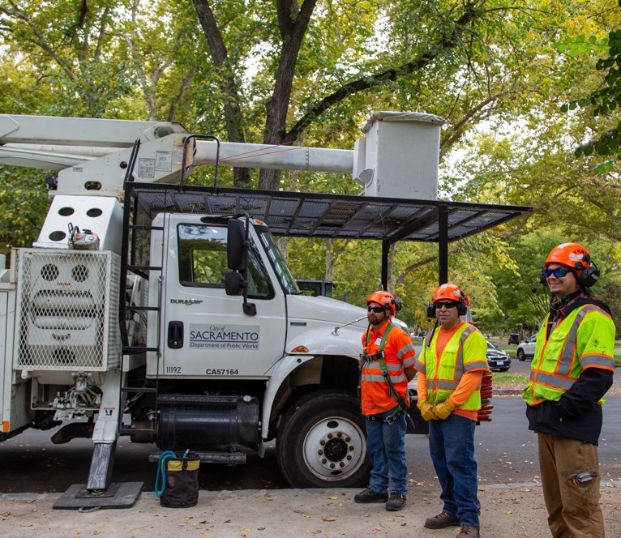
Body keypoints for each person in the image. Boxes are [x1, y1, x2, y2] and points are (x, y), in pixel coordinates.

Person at [523, 242, 615, 538]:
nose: (551, 276)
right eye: (548, 271)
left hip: (572, 429)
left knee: (580, 512)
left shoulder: (593, 315)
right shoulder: (556, 317)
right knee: (558, 509)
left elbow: (598, 377)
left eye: (560, 270)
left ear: (582, 274)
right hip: (548, 423)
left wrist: (563, 411)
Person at [415, 283, 488, 538]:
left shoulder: (471, 335)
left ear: (460, 308)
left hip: (459, 413)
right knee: (442, 464)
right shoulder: (431, 336)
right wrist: (422, 402)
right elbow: (422, 373)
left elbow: (473, 376)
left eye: (449, 305)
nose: (443, 309)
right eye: (438, 305)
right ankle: (451, 510)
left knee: (461, 465)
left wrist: (450, 405)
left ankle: (470, 522)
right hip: (435, 412)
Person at [354, 290, 416, 511]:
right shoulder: (367, 335)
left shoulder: (398, 336)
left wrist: (397, 389)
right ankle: (378, 488)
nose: (371, 312)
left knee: (394, 450)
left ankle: (398, 491)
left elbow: (411, 369)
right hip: (371, 405)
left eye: (377, 309)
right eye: (369, 308)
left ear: (388, 312)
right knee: (376, 449)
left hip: (391, 406)